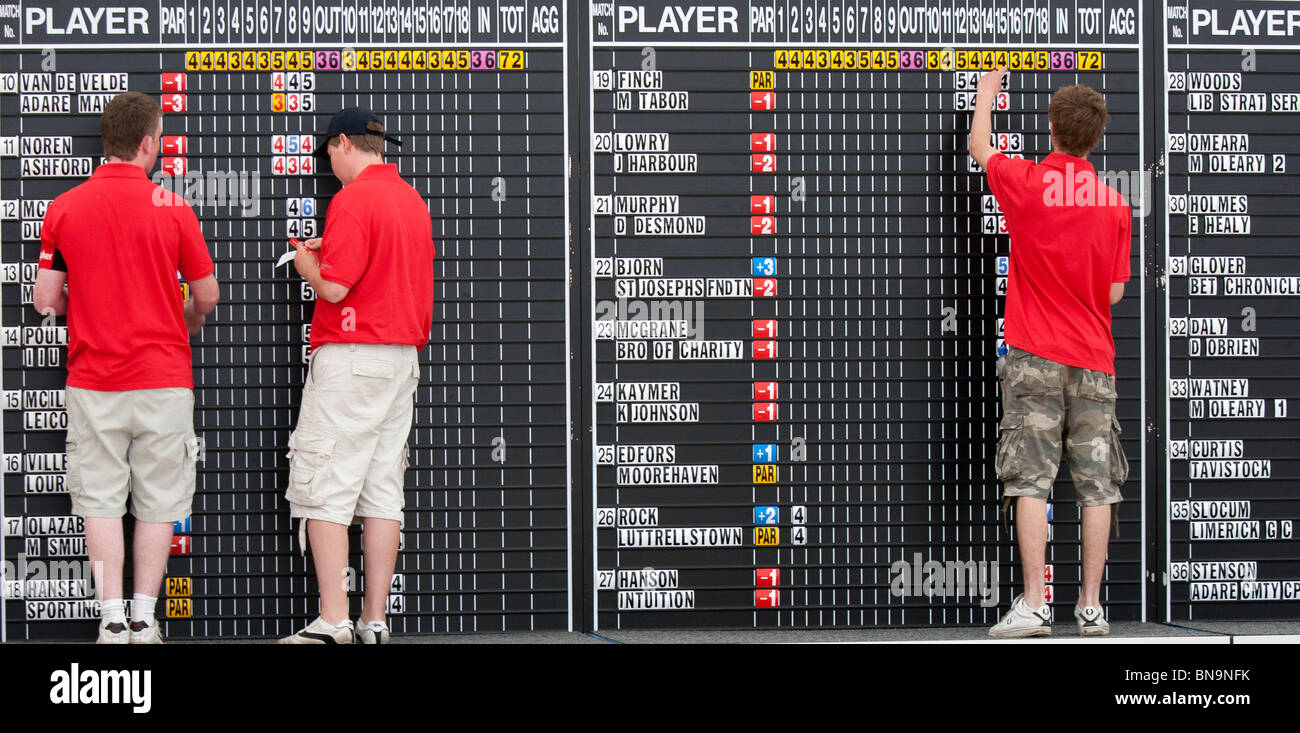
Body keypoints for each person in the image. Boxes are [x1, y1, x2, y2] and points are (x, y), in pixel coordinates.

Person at [33, 91, 220, 644]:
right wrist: (185, 319)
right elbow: (208, 295)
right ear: (147, 143)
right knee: (159, 502)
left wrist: (88, 303)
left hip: (94, 382)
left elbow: (46, 299)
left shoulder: (65, 207)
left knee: (100, 502)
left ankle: (112, 620)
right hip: (164, 379)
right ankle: (145, 618)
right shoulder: (173, 207)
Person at [969, 70, 1131, 638]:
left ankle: (1035, 605)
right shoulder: (1114, 204)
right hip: (1094, 361)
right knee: (1097, 485)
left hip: (1035, 357)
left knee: (1030, 481)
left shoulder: (1029, 183)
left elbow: (980, 147)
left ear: (1053, 128)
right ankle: (1090, 608)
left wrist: (986, 95)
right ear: (1096, 138)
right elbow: (1114, 293)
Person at [280, 108, 434, 644]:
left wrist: (307, 264)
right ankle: (374, 622)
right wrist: (332, 250)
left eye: (329, 152)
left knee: (324, 488)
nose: (329, 164)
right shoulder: (411, 200)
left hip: (351, 357)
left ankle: (332, 622)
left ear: (344, 143)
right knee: (382, 494)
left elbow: (336, 288)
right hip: (401, 360)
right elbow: (381, 265)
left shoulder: (351, 200)